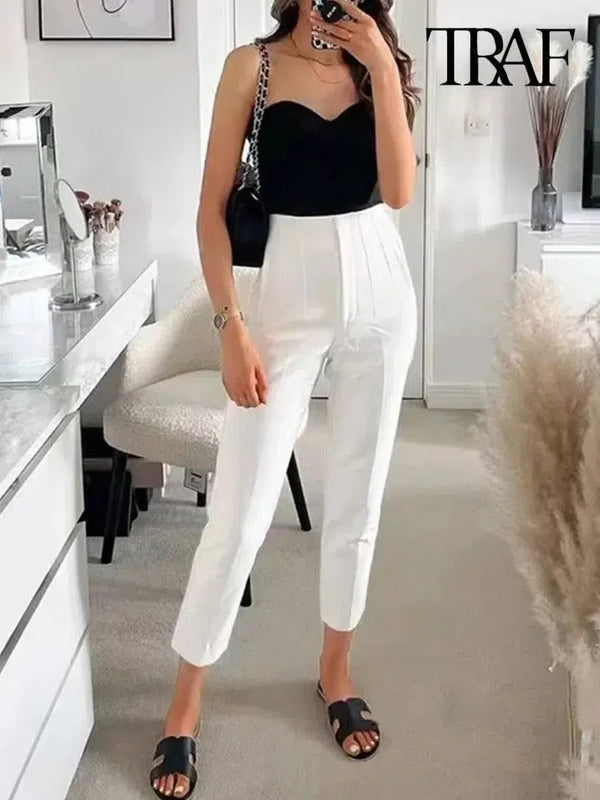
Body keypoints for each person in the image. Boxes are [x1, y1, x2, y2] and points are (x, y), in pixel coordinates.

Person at [150, 1, 420, 796]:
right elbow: (211, 211)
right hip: (285, 299)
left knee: (358, 500)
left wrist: (380, 67)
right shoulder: (253, 67)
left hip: (381, 291)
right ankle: (183, 706)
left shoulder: (378, 65)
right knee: (239, 511)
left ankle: (335, 671)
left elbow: (399, 191)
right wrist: (229, 326)